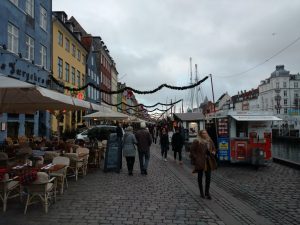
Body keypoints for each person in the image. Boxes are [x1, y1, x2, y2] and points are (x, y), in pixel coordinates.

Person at [190, 130, 217, 199]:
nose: (205, 134)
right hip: (200, 161)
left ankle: (207, 192)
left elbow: (214, 148)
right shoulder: (197, 141)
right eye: (203, 133)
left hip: (208, 161)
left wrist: (213, 152)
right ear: (200, 134)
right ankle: (201, 192)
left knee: (208, 177)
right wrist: (196, 158)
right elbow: (192, 150)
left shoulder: (209, 141)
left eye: (205, 133)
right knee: (200, 177)